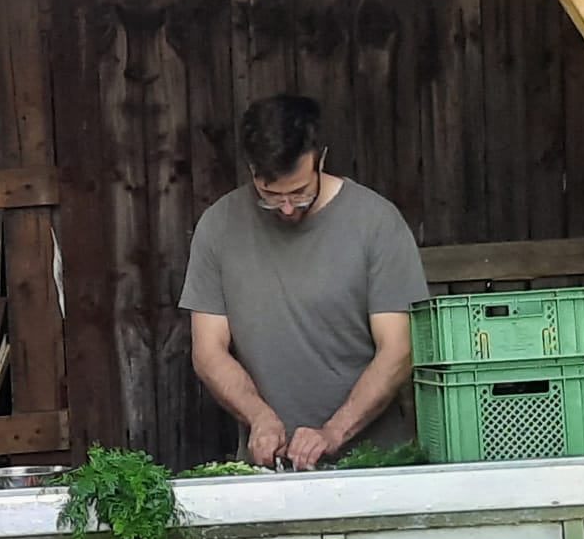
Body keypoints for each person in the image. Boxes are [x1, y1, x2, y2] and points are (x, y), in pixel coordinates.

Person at [180, 94, 428, 470]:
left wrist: (332, 433)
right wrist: (259, 417)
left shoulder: (376, 222)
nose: (286, 208)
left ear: (320, 159)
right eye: (270, 195)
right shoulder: (218, 227)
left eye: (299, 193)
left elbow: (398, 350)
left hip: (373, 464)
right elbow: (208, 351)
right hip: (268, 466)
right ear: (251, 170)